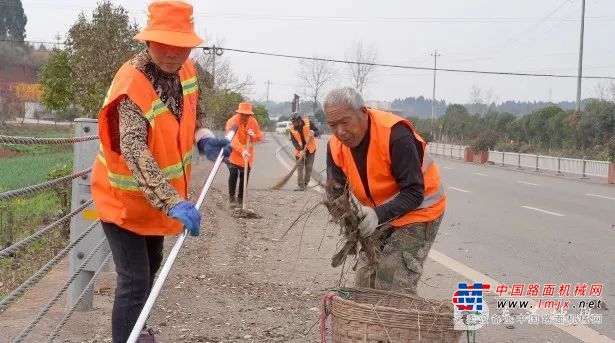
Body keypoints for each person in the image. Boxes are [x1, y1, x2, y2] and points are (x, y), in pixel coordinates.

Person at [91, 2, 229, 342]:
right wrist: (171, 201)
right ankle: (128, 337)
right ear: (147, 41)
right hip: (122, 200)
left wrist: (204, 138)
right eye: (163, 43)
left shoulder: (187, 71)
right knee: (134, 280)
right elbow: (134, 150)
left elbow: (194, 114)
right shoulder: (131, 85)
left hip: (155, 202)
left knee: (151, 270)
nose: (171, 53)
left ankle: (137, 331)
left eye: (180, 45)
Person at [324, 87, 446, 294]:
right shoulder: (335, 146)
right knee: (365, 283)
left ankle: (401, 324)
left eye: (345, 122)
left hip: (419, 210)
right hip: (380, 214)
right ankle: (371, 326)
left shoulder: (395, 134)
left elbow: (414, 192)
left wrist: (377, 215)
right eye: (333, 125)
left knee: (392, 283)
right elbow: (336, 191)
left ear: (363, 112)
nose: (340, 132)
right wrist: (346, 217)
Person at [225, 102, 264, 207]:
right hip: (234, 152)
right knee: (233, 173)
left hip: (248, 154)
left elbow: (260, 136)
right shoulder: (232, 122)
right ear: (239, 113)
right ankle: (232, 198)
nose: (245, 117)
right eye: (243, 115)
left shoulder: (253, 121)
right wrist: (242, 150)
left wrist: (254, 135)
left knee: (244, 175)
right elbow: (233, 140)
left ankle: (241, 199)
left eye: (247, 115)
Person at [288, 112, 320, 191]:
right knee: (300, 167)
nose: (294, 123)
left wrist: (314, 133)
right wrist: (300, 150)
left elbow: (317, 132)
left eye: (295, 121)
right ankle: (300, 185)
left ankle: (305, 184)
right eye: (293, 122)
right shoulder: (292, 129)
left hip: (310, 149)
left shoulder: (308, 123)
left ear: (299, 120)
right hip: (300, 151)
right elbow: (294, 142)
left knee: (309, 167)